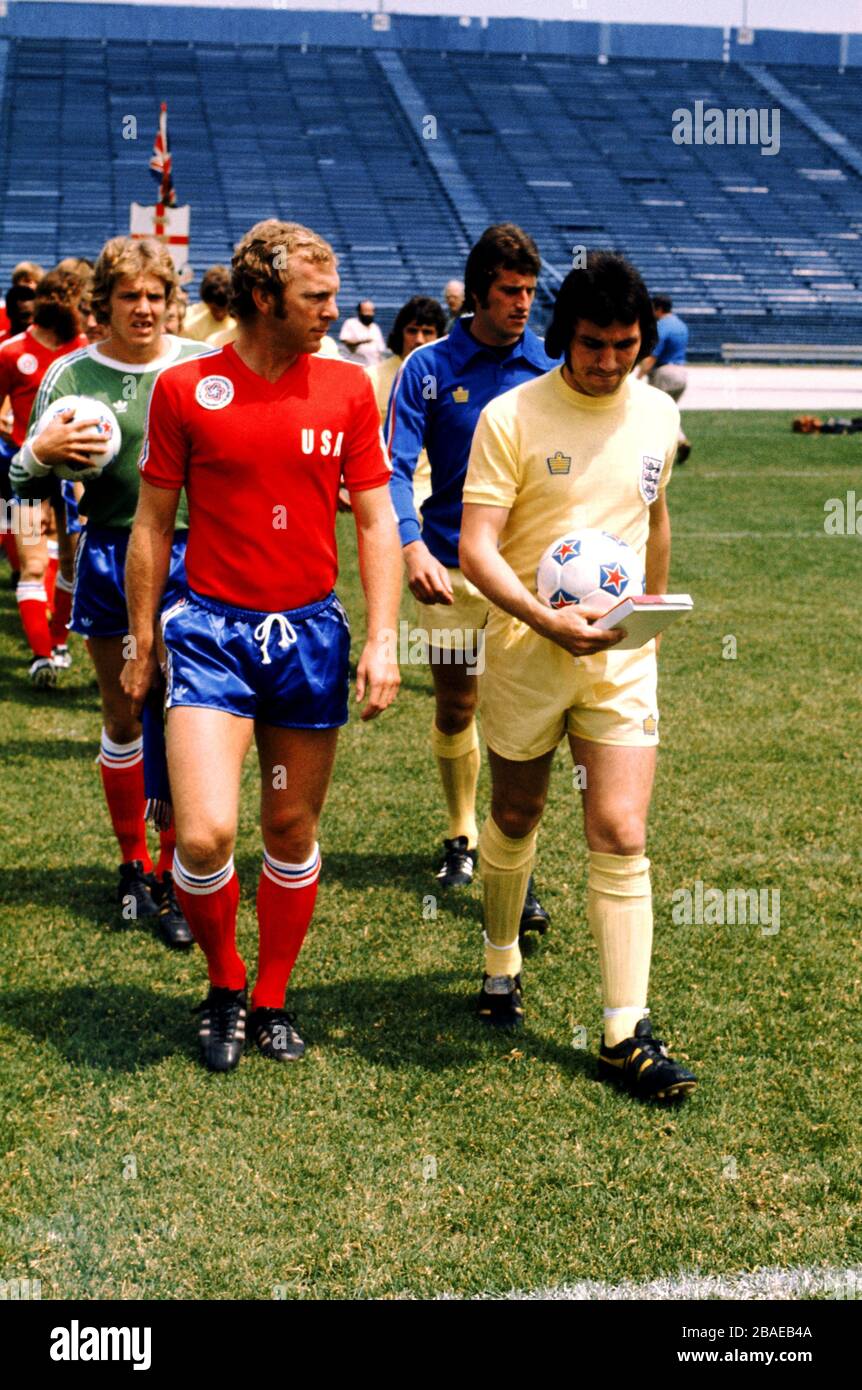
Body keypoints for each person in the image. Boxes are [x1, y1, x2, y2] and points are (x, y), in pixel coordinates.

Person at [122, 218, 402, 1073]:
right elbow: (151, 521)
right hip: (209, 633)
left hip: (308, 635)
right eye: (315, 298)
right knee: (204, 835)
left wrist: (384, 637)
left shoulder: (350, 389)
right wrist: (141, 638)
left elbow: (378, 517)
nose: (333, 310)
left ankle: (273, 997)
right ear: (262, 298)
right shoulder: (185, 389)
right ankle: (225, 980)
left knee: (289, 826)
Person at [458, 251, 697, 1102]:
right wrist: (539, 615)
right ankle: (498, 964)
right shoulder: (510, 416)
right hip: (528, 648)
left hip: (622, 657)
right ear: (566, 338)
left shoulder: (658, 417)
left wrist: (653, 618)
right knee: (517, 810)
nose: (607, 362)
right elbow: (475, 545)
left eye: (625, 346)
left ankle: (622, 1032)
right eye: (593, 345)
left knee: (622, 830)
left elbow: (654, 517)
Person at [11, 236, 208, 946]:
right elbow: (22, 480)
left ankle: (177, 869)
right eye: (130, 296)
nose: (145, 308)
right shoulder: (71, 375)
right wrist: (40, 454)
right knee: (126, 711)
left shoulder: (202, 366)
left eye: (156, 295)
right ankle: (133, 865)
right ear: (104, 305)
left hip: (197, 553)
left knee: (187, 717)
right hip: (109, 552)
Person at [386, 224, 556, 944]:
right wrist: (410, 544)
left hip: (530, 577)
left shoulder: (549, 362)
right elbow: (392, 468)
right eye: (510, 292)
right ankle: (460, 836)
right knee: (457, 705)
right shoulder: (427, 367)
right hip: (451, 567)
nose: (523, 304)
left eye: (529, 291)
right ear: (480, 289)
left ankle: (515, 866)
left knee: (522, 728)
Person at [0, 268, 89, 683]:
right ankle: (40, 658)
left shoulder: (85, 352)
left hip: (75, 477)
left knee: (72, 564)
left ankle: (57, 642)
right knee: (32, 564)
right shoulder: (12, 352)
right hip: (24, 476)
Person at [637, 295, 691, 462]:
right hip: (681, 373)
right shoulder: (681, 325)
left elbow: (652, 357)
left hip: (664, 373)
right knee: (668, 413)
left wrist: (638, 377)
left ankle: (662, 450)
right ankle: (680, 441)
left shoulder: (661, 327)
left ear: (658, 308)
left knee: (654, 413)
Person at [182, 265, 236, 344]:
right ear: (206, 302)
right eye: (214, 309)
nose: (220, 314)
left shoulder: (238, 324)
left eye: (224, 310)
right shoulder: (190, 321)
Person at [339, 299, 386, 367]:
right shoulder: (351, 323)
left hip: (373, 368)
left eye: (371, 311)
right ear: (359, 312)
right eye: (366, 311)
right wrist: (362, 341)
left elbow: (380, 351)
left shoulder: (375, 327)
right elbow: (345, 341)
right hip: (356, 366)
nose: (369, 314)